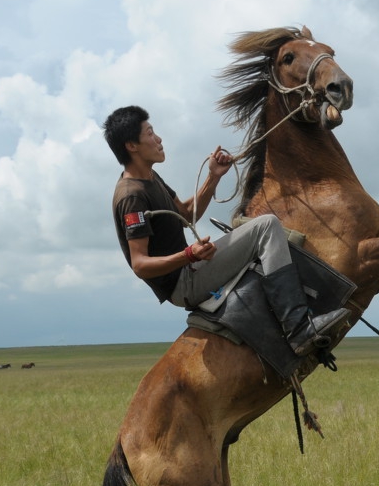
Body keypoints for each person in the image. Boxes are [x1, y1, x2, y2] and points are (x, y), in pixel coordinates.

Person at [103, 105, 349, 357]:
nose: (159, 139)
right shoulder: (131, 197)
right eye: (150, 133)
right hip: (183, 283)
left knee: (262, 226)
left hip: (190, 267)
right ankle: (298, 330)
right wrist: (189, 255)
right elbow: (140, 264)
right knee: (266, 226)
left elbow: (187, 214)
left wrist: (214, 176)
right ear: (131, 145)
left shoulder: (151, 178)